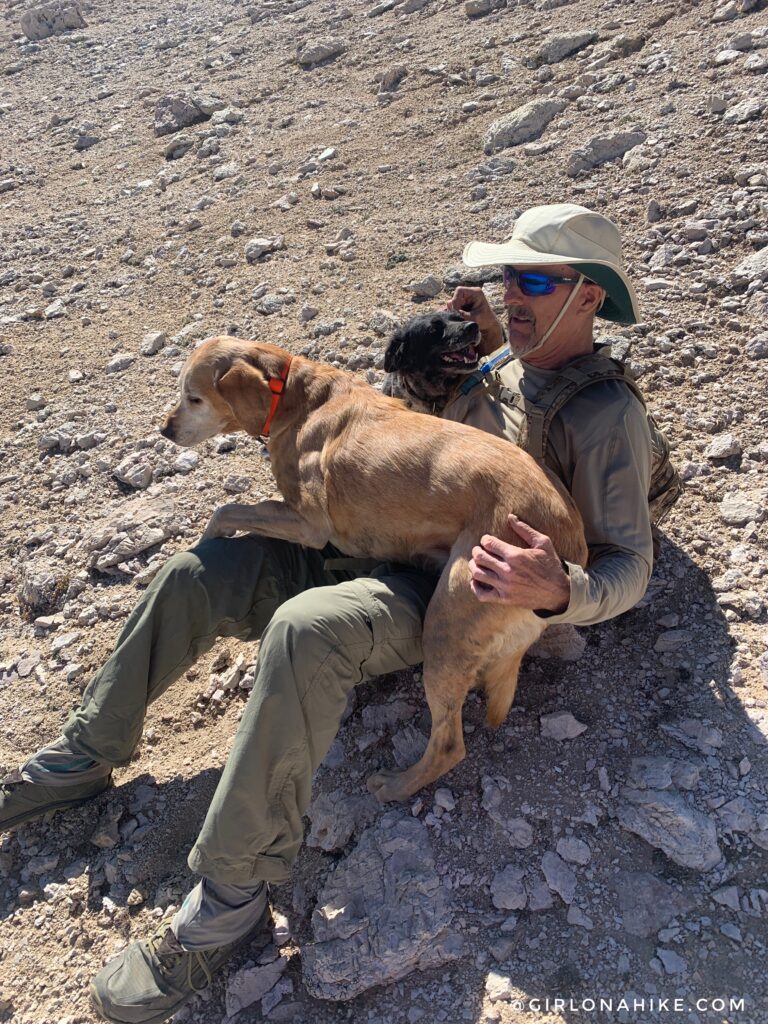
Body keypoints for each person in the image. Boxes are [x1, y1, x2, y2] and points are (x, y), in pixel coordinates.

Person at [0, 204, 654, 1024]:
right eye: (501, 281)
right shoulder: (500, 360)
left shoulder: (606, 417)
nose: (508, 300)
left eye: (529, 283)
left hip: (470, 579)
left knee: (304, 632)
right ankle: (77, 758)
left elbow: (631, 565)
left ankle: (226, 906)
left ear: (590, 298)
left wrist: (559, 592)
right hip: (384, 531)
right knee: (198, 572)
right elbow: (385, 443)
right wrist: (428, 365)